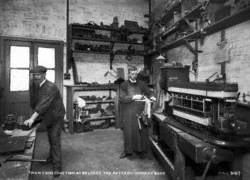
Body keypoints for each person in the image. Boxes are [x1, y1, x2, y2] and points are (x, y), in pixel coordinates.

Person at [24, 65, 65, 177]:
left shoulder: (50, 87)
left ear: (44, 75)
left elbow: (44, 104)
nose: (35, 77)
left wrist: (32, 118)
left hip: (56, 116)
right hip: (48, 116)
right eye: (34, 75)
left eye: (38, 75)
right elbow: (37, 102)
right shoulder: (38, 86)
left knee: (55, 140)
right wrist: (35, 116)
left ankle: (57, 167)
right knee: (50, 138)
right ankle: (51, 158)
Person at [119, 66, 156, 159]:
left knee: (141, 132)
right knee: (128, 133)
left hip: (140, 111)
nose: (134, 75)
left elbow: (149, 92)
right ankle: (127, 151)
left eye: (135, 73)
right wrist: (133, 97)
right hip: (128, 112)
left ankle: (141, 150)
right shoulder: (124, 85)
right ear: (128, 74)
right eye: (132, 73)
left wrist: (152, 96)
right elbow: (122, 98)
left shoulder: (142, 84)